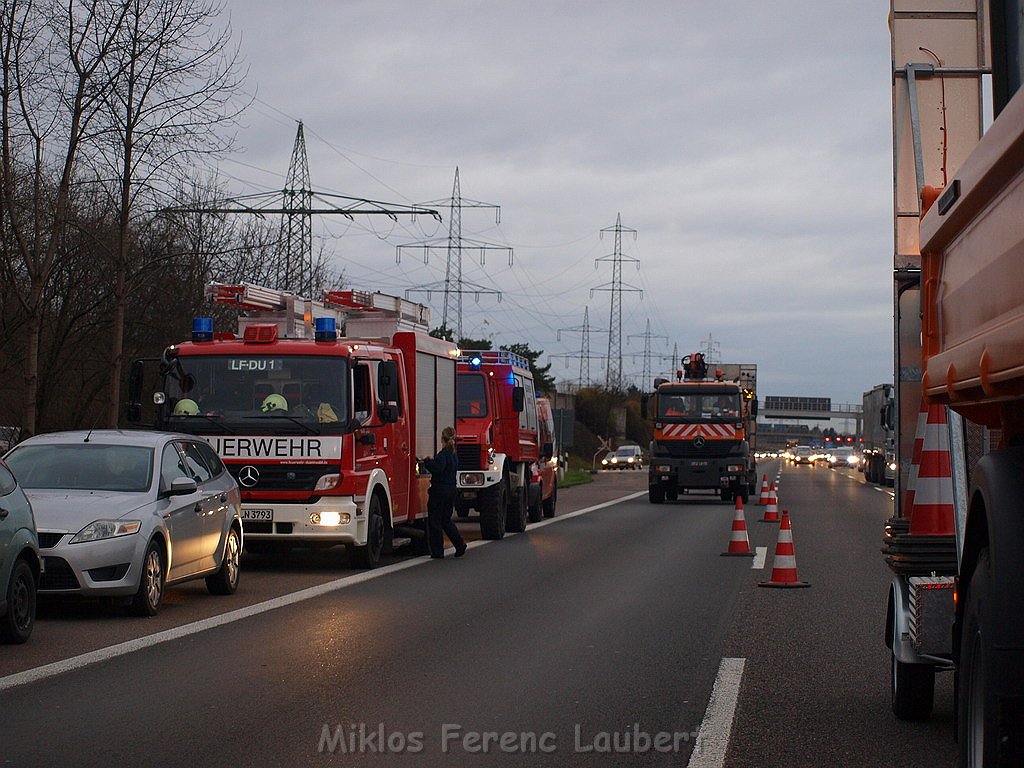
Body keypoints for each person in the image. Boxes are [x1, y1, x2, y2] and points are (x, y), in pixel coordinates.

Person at [420, 426, 467, 559]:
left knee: (434, 521)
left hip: (439, 491)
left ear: (442, 439)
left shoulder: (443, 455)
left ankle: (437, 551)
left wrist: (427, 461)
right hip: (451, 490)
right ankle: (460, 544)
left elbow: (438, 468)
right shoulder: (453, 456)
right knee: (446, 520)